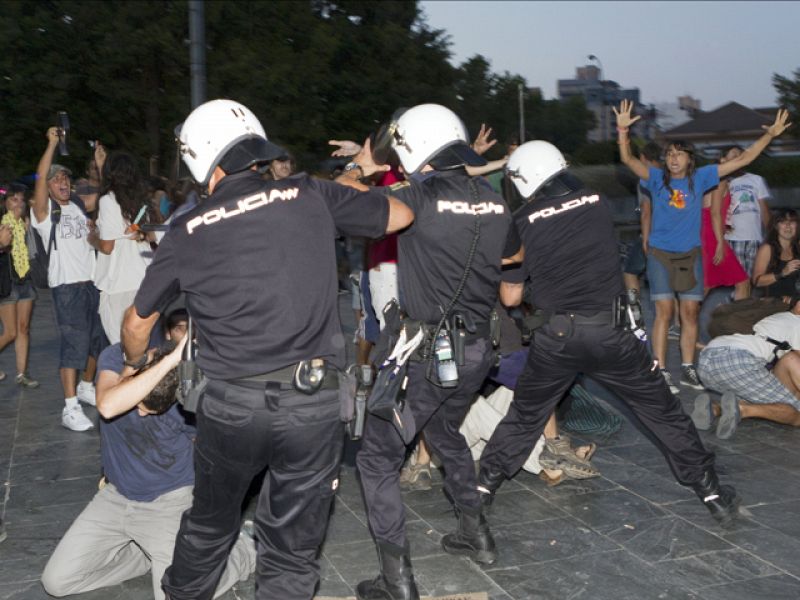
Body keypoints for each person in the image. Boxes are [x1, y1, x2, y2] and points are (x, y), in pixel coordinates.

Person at [120, 99, 413, 600]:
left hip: (231, 408)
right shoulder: (310, 194)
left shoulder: (187, 231)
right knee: (292, 551)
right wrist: (360, 175)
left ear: (201, 164)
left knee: (210, 526)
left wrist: (133, 362)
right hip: (314, 405)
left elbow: (137, 321)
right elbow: (400, 215)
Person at [476, 140, 740, 529]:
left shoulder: (520, 223)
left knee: (525, 417)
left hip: (557, 336)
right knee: (663, 415)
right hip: (610, 333)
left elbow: (512, 295)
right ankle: (712, 493)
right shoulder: (596, 200)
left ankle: (479, 495)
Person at [343, 104, 520, 600]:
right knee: (444, 430)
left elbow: (350, 202)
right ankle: (476, 533)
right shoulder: (493, 200)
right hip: (477, 352)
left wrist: (363, 168)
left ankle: (396, 581)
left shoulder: (417, 196)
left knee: (377, 458)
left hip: (428, 353)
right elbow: (515, 258)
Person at [40, 309, 256, 600]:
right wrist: (168, 360)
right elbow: (107, 404)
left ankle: (241, 552)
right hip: (115, 498)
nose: (140, 413)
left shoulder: (190, 389)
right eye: (140, 404)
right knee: (57, 581)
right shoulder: (115, 358)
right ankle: (147, 556)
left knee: (175, 594)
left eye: (150, 410)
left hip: (168, 503)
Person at [615, 100, 791, 393]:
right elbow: (629, 160)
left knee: (691, 314)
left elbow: (743, 159)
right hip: (660, 253)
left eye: (679, 154)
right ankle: (660, 370)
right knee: (664, 311)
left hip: (691, 254)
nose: (673, 159)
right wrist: (622, 131)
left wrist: (769, 135)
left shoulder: (702, 177)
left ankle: (687, 368)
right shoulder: (657, 179)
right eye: (669, 154)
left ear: (689, 158)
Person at [31, 127, 105, 432]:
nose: (63, 182)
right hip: (67, 289)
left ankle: (87, 385)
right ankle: (70, 406)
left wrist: (100, 166)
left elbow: (103, 195)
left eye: (65, 179)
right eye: (56, 179)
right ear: (48, 188)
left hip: (91, 285)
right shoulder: (44, 214)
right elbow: (40, 177)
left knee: (95, 343)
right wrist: (51, 145)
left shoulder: (75, 206)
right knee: (73, 346)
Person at [695, 297, 800, 438]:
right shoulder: (797, 322)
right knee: (794, 413)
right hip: (737, 361)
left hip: (707, 362)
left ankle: (714, 409)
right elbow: (795, 359)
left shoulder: (776, 318)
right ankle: (742, 410)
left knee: (764, 402)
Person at [89, 150, 152, 344]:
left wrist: (92, 239)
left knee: (121, 348)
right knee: (141, 346)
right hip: (142, 281)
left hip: (118, 284)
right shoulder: (141, 201)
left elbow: (107, 247)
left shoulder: (108, 201)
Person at [0, 185, 39, 387]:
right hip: (8, 283)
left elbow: (33, 251)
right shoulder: (3, 224)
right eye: (14, 200)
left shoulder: (25, 223)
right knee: (11, 332)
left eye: (21, 200)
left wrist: (28, 229)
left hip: (26, 280)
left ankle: (21, 374)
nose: (19, 204)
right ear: (5, 203)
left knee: (24, 328)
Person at [723, 145, 771, 282]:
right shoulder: (723, 182)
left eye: (741, 155)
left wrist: (770, 235)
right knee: (739, 280)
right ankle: (736, 301)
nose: (738, 158)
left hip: (754, 237)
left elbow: (764, 210)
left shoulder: (756, 180)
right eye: (733, 155)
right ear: (724, 160)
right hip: (733, 237)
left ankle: (740, 301)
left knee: (752, 279)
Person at [752, 209, 800, 298]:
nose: (788, 226)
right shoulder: (768, 249)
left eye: (792, 222)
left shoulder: (798, 246)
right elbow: (757, 281)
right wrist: (782, 273)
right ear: (776, 226)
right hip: (775, 303)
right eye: (783, 222)